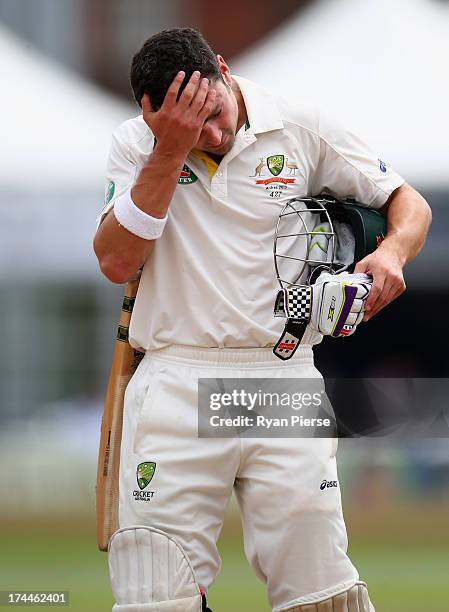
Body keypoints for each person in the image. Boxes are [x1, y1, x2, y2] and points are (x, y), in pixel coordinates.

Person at [94, 27, 431, 612]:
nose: (215, 134)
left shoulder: (297, 126)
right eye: (192, 125)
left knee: (320, 594)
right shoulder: (136, 145)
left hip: (279, 372)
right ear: (151, 118)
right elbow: (117, 260)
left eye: (215, 111)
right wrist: (169, 151)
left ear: (223, 69)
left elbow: (408, 203)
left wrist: (392, 253)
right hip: (178, 373)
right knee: (155, 593)